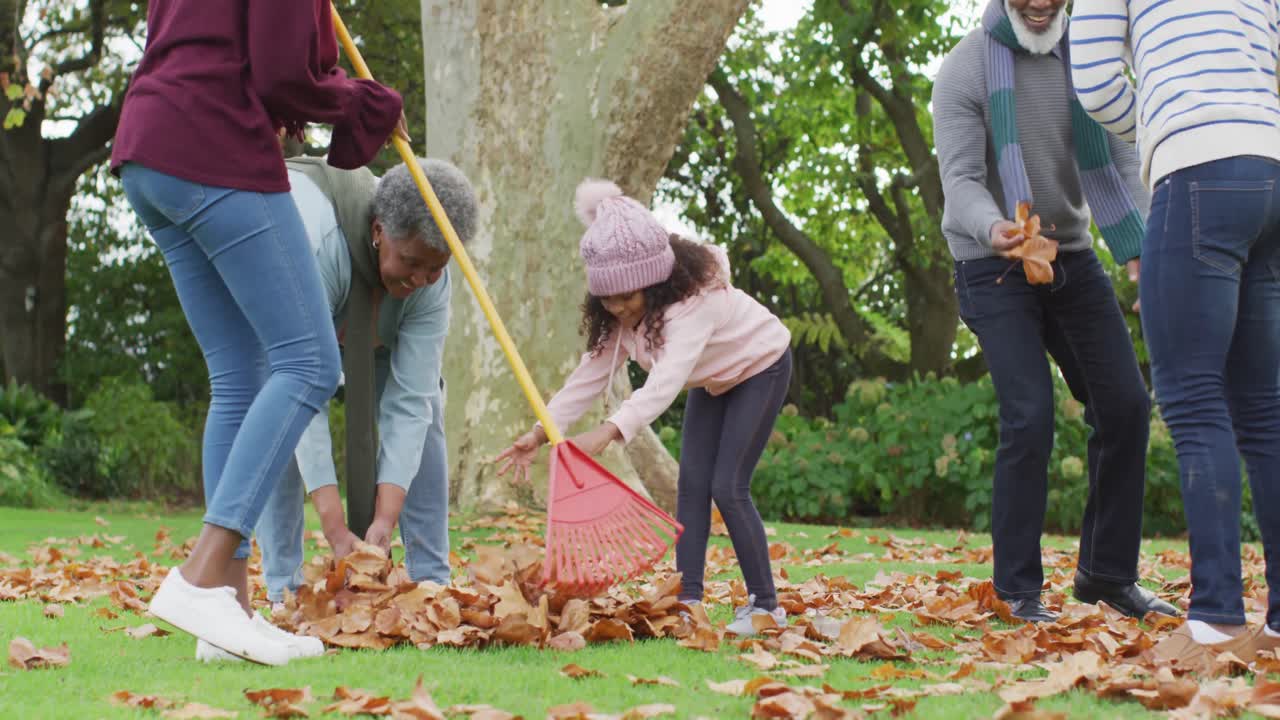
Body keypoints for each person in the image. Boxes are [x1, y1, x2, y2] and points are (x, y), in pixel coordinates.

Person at [110, 0, 406, 665]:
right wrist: (366, 102)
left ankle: (228, 610)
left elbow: (218, 46)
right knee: (308, 361)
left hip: (148, 152)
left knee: (238, 376)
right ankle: (199, 575)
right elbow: (280, 76)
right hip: (211, 146)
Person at [932, 0, 1177, 623]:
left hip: (1069, 255)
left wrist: (1142, 248)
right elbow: (959, 181)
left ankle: (1106, 576)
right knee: (1030, 413)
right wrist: (995, 230)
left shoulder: (1092, 59)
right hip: (992, 263)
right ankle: (1016, 591)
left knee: (1124, 406)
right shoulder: (965, 70)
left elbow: (1125, 160)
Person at [1071, 0, 1280, 667]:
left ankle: (1216, 620)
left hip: (1197, 166)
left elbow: (1098, 81)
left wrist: (1164, 120)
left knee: (1192, 400)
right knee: (1266, 410)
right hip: (1271, 166)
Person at [495, 180, 793, 636]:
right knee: (691, 486)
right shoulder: (620, 317)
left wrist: (609, 432)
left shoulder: (694, 304)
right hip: (713, 382)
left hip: (760, 367)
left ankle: (766, 606)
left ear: (654, 285)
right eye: (606, 299)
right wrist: (539, 432)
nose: (616, 308)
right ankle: (686, 600)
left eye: (626, 297)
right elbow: (588, 377)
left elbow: (664, 383)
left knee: (728, 486)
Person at [251, 155, 478, 625]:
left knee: (430, 406)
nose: (420, 279)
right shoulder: (320, 245)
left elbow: (409, 401)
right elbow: (302, 401)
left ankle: (430, 579)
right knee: (279, 412)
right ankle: (283, 590)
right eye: (411, 262)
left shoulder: (430, 285)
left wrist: (382, 521)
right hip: (301, 313)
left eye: (435, 268)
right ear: (378, 231)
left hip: (378, 333)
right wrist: (335, 528)